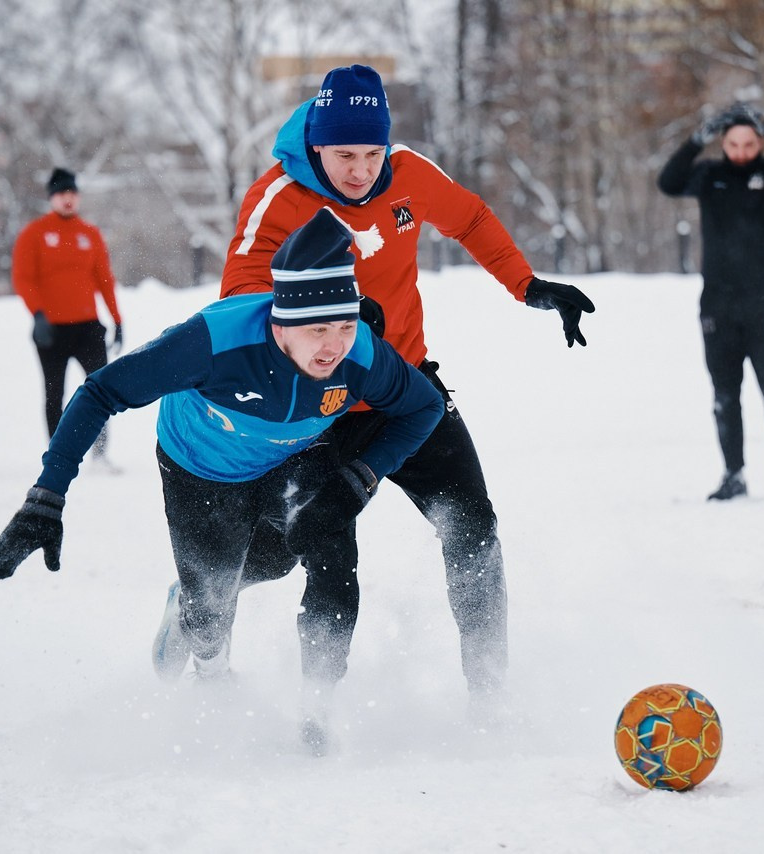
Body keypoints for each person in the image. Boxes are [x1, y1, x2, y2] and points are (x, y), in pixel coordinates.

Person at [0, 208, 445, 755]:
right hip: (200, 469)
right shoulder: (214, 342)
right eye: (317, 328)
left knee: (318, 552)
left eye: (344, 326)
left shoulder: (361, 354)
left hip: (293, 458)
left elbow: (425, 407)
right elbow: (100, 391)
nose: (333, 346)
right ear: (278, 325)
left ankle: (317, 706)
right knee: (210, 611)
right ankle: (206, 655)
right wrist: (46, 497)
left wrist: (361, 477)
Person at [213, 64, 596, 707]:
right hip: (316, 409)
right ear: (315, 146)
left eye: (372, 153)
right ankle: (299, 692)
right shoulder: (278, 199)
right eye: (344, 156)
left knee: (473, 527)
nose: (361, 170)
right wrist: (324, 314)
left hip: (407, 396)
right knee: (292, 557)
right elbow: (237, 300)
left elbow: (470, 218)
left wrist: (527, 285)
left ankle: (490, 693)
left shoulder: (409, 175)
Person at [658, 102, 764, 502]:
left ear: (758, 142)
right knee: (725, 395)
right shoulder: (709, 175)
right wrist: (697, 140)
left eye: (750, 143)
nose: (742, 151)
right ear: (724, 143)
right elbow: (669, 181)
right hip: (719, 307)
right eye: (733, 143)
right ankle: (734, 475)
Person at [12, 167, 124, 460]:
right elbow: (23, 279)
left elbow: (104, 280)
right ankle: (59, 454)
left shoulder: (90, 234)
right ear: (51, 198)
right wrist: (37, 314)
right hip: (51, 329)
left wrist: (117, 320)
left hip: (88, 328)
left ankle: (100, 453)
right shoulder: (34, 233)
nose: (68, 199)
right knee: (54, 395)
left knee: (100, 391)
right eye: (62, 193)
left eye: (72, 193)